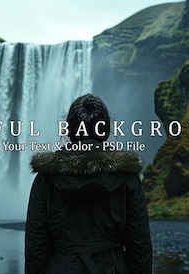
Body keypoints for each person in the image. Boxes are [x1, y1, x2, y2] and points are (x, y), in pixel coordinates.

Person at [25, 94, 153, 274]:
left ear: (69, 129)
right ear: (105, 128)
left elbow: (36, 245)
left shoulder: (46, 178)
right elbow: (139, 244)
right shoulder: (127, 178)